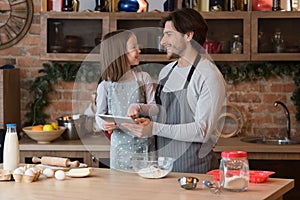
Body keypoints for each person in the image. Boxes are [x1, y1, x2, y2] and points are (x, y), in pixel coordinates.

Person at [122, 8, 227, 173]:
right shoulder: (167, 72)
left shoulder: (208, 75)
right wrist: (141, 108)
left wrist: (154, 128)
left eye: (169, 34)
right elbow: (162, 111)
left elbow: (202, 131)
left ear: (188, 35)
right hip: (162, 169)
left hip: (194, 172)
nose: (162, 41)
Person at [95, 30, 158, 171]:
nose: (139, 50)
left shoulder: (143, 78)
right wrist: (104, 124)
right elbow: (99, 116)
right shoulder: (105, 86)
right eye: (133, 47)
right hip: (120, 152)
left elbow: (154, 109)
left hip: (145, 147)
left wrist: (138, 106)